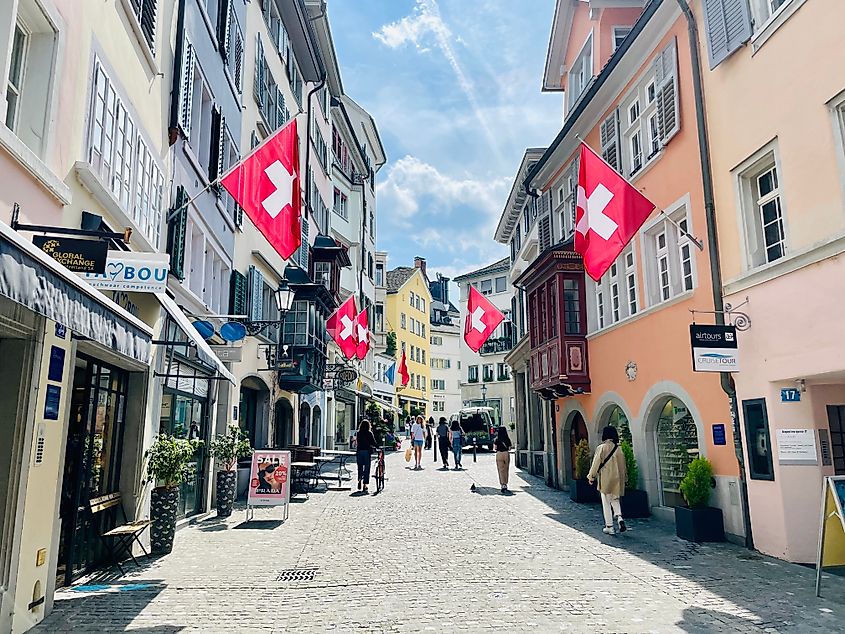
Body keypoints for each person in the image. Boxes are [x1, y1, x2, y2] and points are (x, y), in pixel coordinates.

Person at [588, 425, 628, 535]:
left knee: (606, 501)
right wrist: (625, 478)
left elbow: (596, 463)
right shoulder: (618, 449)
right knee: (615, 499)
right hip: (618, 479)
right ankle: (619, 517)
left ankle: (609, 526)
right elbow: (623, 466)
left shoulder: (601, 448)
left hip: (606, 478)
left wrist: (591, 477)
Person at [355, 419, 378, 493]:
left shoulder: (358, 433)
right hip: (367, 452)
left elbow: (358, 442)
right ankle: (365, 484)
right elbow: (373, 442)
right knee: (367, 468)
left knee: (360, 467)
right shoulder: (369, 433)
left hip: (359, 451)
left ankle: (359, 479)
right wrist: (378, 446)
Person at [494, 426, 513, 492]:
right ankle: (506, 483)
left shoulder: (496, 439)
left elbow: (495, 448)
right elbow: (510, 448)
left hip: (499, 454)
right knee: (506, 469)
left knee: (500, 470)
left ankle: (502, 484)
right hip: (506, 454)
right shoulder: (507, 439)